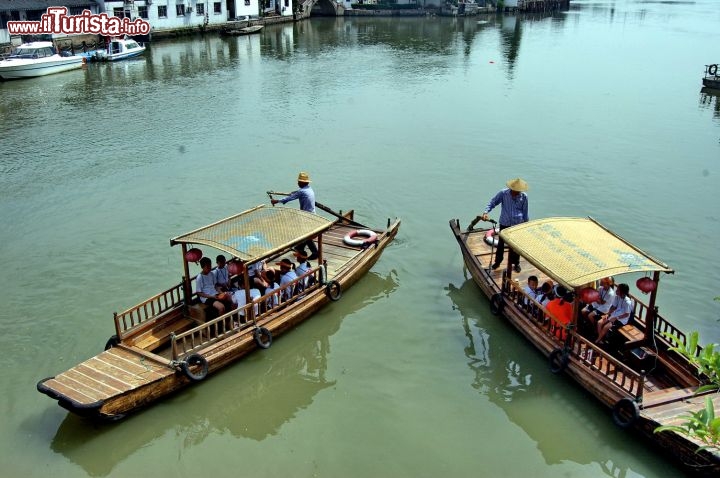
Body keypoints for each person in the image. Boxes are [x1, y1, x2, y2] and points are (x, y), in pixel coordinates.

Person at [468, 178, 529, 273]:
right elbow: (493, 202)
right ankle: (497, 262)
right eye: (514, 191)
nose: (516, 193)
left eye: (518, 191)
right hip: (505, 223)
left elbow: (525, 212)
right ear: (511, 188)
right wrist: (485, 212)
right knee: (501, 245)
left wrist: (526, 224)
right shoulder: (503, 193)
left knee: (516, 246)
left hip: (517, 224)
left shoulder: (524, 197)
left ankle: (516, 263)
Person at [270, 172, 319, 259]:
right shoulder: (309, 189)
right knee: (304, 233)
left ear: (303, 183)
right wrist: (295, 192)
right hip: (311, 214)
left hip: (307, 216)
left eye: (299, 182)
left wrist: (276, 201)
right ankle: (300, 247)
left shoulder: (302, 191)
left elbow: (289, 198)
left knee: (306, 235)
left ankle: (315, 253)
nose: (298, 183)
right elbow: (297, 193)